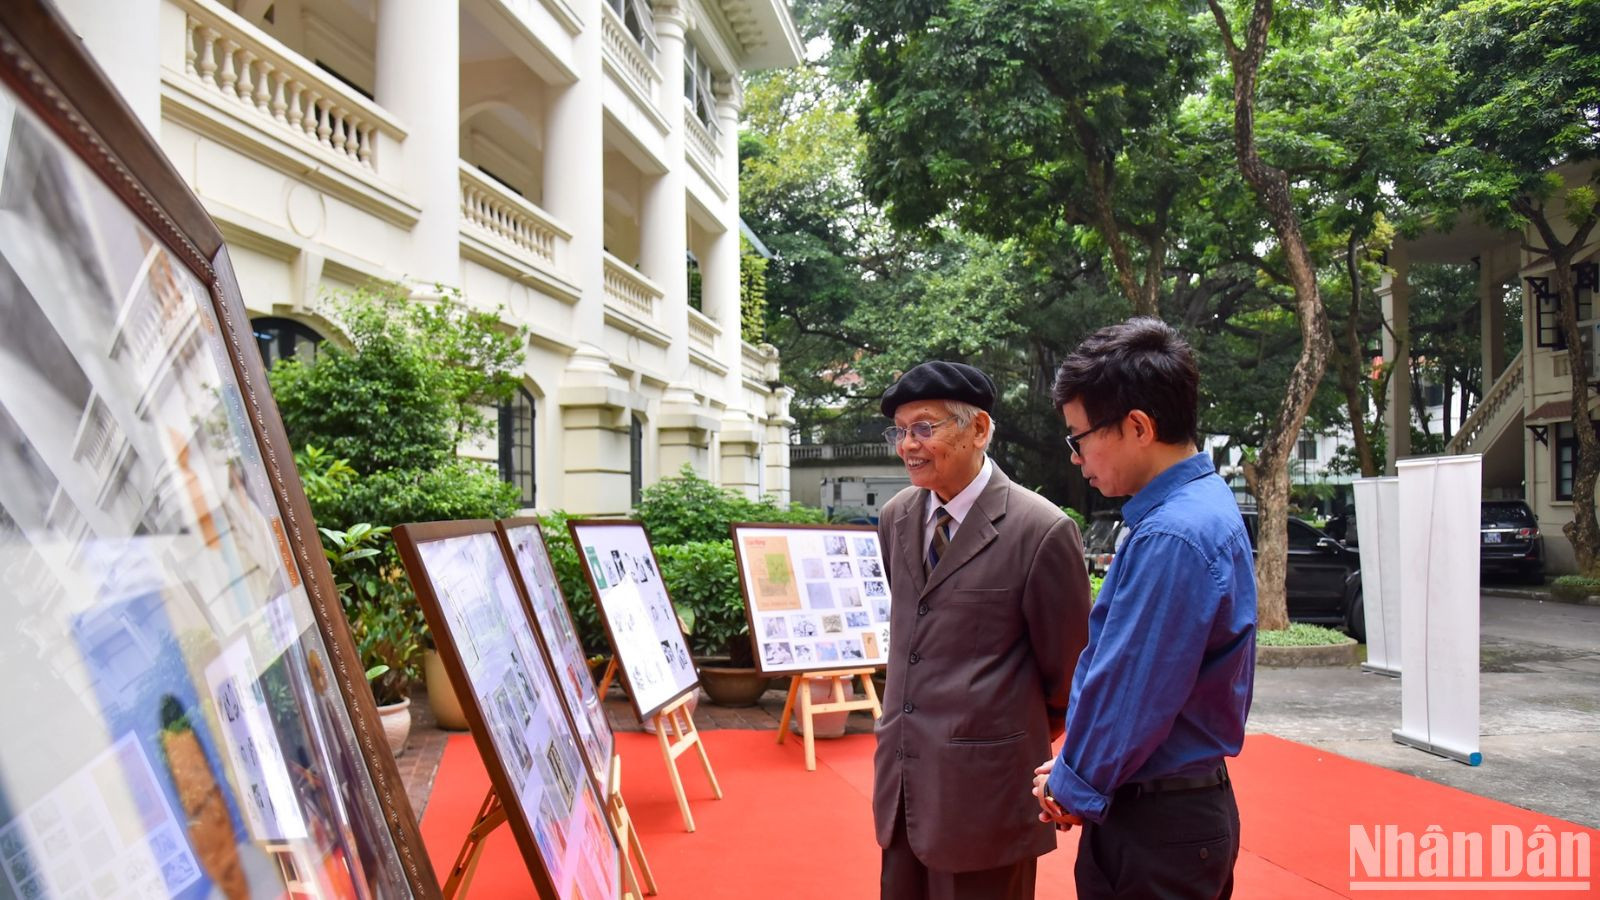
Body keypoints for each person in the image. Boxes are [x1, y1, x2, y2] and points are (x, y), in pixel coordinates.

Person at [1032, 318, 1257, 900]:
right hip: (1175, 806)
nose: (1078, 458)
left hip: (1158, 818)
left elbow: (1132, 686)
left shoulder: (1172, 534)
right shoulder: (1199, 506)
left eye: (1079, 438)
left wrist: (1071, 783)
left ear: (1137, 426)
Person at [873, 360, 1091, 900]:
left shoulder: (1041, 530)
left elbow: (1068, 671)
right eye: (900, 432)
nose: (908, 445)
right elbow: (914, 630)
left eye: (924, 427)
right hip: (903, 787)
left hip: (987, 798)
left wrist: (991, 737)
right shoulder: (896, 516)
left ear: (979, 429)